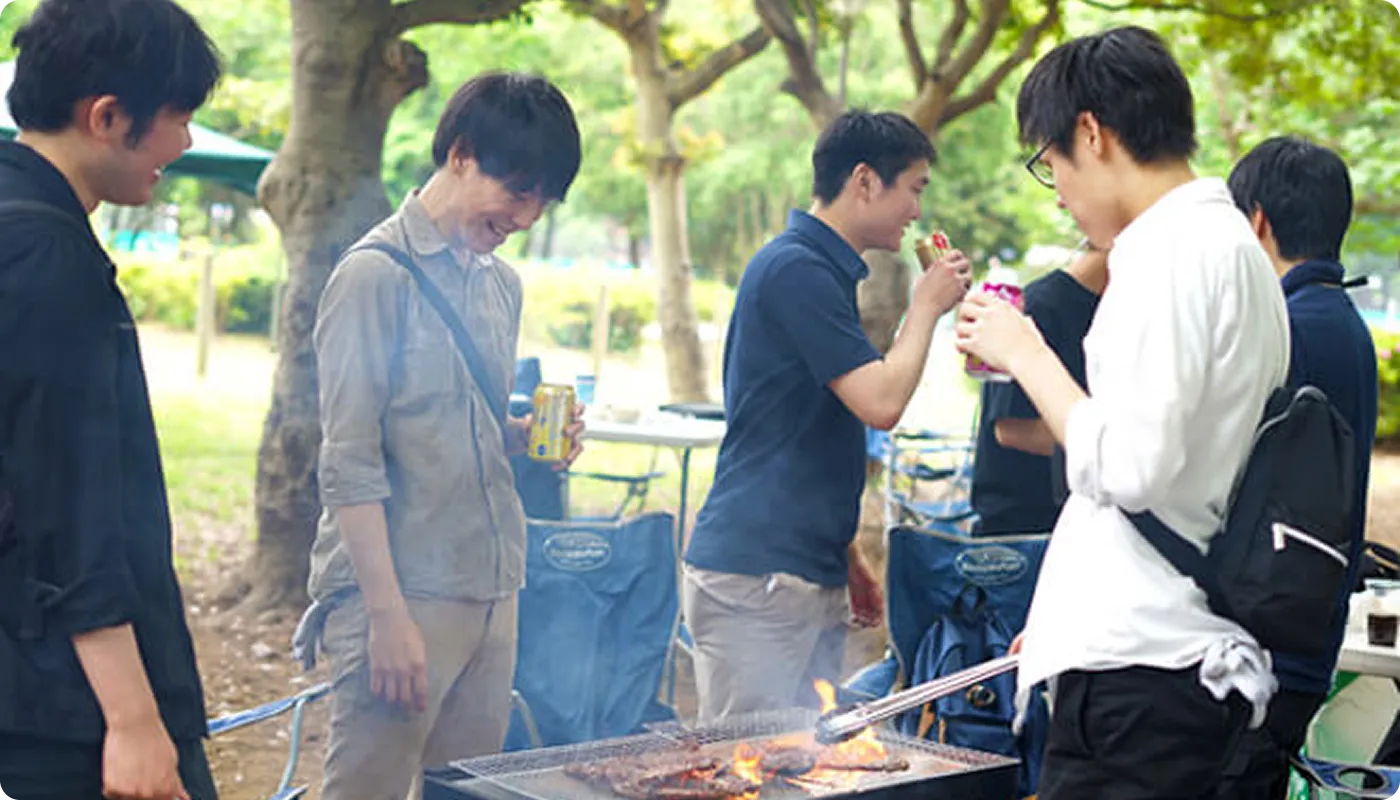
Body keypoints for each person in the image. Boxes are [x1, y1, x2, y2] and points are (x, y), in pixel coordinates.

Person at [954, 26, 1290, 797]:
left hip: (1144, 681)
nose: (1060, 190)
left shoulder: (1170, 255)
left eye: (1050, 164)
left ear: (1091, 133)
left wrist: (1026, 352)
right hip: (1157, 656)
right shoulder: (1228, 247)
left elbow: (1130, 468)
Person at [292, 73, 585, 800]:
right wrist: (387, 619)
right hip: (399, 593)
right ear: (460, 154)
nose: (525, 215)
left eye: (541, 201)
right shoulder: (372, 277)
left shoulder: (498, 285)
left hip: (490, 585)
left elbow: (452, 426)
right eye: (517, 191)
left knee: (468, 793)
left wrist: (521, 438)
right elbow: (350, 464)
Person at [681, 110, 972, 723]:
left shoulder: (822, 270)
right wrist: (925, 308)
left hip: (801, 565)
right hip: (757, 574)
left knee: (800, 769)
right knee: (742, 772)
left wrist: (843, 553)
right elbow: (881, 403)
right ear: (865, 181)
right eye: (914, 188)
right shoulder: (797, 270)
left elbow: (804, 427)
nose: (917, 210)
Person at [0, 0, 223, 798]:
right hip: (61, 711)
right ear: (107, 115)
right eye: (179, 117)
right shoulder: (48, 260)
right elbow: (73, 517)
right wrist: (134, 722)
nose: (185, 143)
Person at [1216, 136, 1378, 799]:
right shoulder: (1343, 321)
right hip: (1306, 636)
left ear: (1256, 221)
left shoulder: (1285, 328)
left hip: (1262, 647)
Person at [970, 246, 1106, 535]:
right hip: (1023, 531)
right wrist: (1107, 445)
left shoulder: (1115, 313)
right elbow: (1009, 429)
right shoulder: (1039, 306)